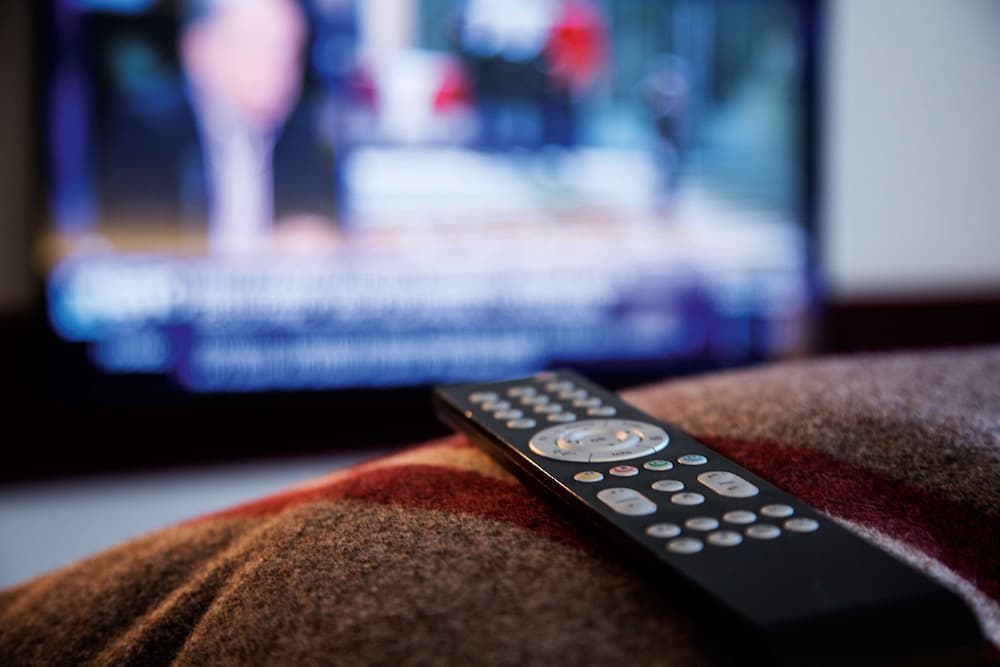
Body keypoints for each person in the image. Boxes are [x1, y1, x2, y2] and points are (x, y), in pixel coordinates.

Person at [101, 0, 337, 255]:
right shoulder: (148, 136)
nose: (281, 67)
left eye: (291, 51)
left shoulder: (302, 135)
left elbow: (315, 232)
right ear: (198, 47)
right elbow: (137, 253)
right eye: (258, 46)